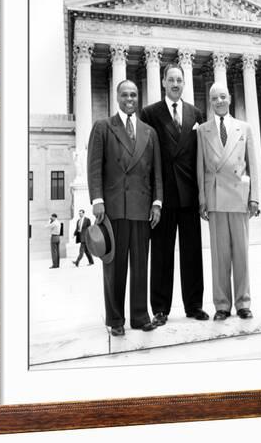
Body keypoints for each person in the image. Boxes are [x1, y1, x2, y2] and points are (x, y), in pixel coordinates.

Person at [87, 80, 163, 336]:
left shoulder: (149, 132)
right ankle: (115, 320)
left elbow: (156, 174)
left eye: (133, 94)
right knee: (115, 267)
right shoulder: (103, 127)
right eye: (125, 94)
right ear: (116, 97)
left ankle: (140, 317)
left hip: (142, 209)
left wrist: (157, 202)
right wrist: (97, 200)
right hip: (114, 209)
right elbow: (94, 166)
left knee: (141, 265)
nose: (130, 98)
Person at [140, 63, 208, 326]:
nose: (176, 84)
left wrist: (203, 195)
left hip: (189, 194)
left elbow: (201, 156)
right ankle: (160, 309)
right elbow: (146, 158)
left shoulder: (196, 113)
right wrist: (152, 198)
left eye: (179, 79)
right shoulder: (150, 113)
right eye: (171, 79)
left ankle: (194, 305)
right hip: (163, 195)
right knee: (161, 253)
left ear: (184, 83)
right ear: (163, 83)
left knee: (192, 253)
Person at [196, 82, 259, 321]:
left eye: (223, 97)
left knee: (241, 253)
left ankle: (244, 303)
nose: (219, 101)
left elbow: (253, 164)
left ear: (230, 99)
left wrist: (254, 198)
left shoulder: (245, 128)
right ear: (210, 102)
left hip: (239, 197)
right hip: (215, 197)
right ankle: (222, 305)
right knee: (219, 255)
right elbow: (201, 167)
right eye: (214, 98)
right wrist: (202, 199)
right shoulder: (203, 130)